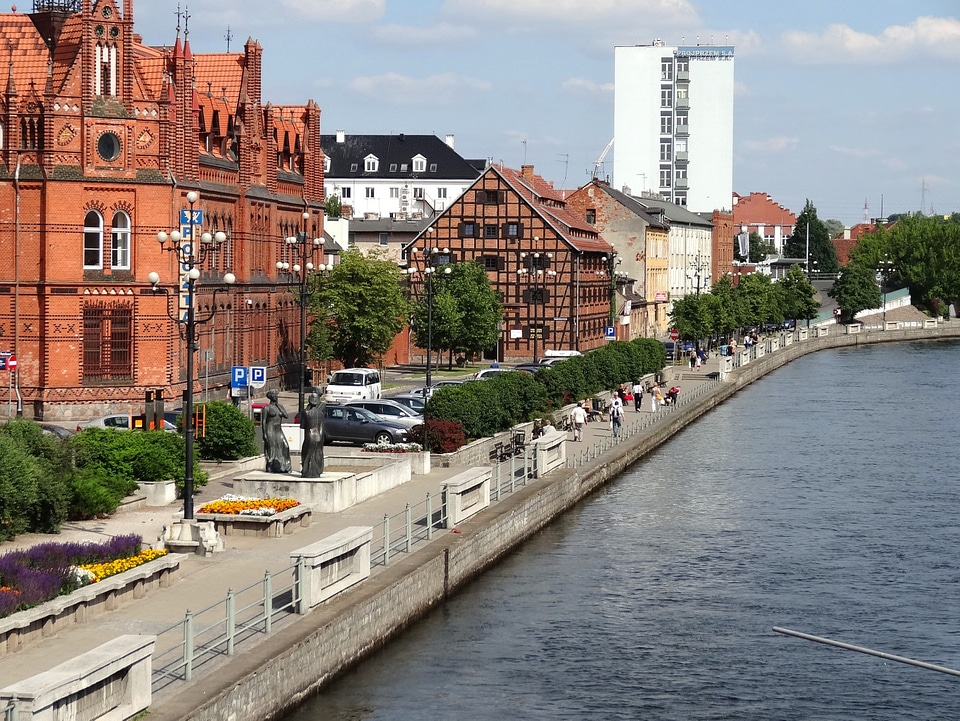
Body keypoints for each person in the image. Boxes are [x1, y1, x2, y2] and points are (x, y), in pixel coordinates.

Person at [262, 389, 291, 474]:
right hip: (270, 430)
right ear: (271, 397)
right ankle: (271, 467)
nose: (276, 396)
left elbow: (286, 416)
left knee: (285, 446)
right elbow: (264, 422)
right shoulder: (266, 408)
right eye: (274, 395)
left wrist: (278, 406)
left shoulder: (280, 406)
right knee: (272, 450)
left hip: (278, 430)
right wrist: (264, 434)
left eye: (276, 395)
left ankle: (284, 466)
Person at [300, 392, 325, 478]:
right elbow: (321, 427)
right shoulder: (320, 413)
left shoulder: (306, 412)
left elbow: (302, 426)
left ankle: (306, 471)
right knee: (315, 454)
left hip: (309, 435)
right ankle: (315, 472)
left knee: (306, 454)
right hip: (317, 435)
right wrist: (319, 437)